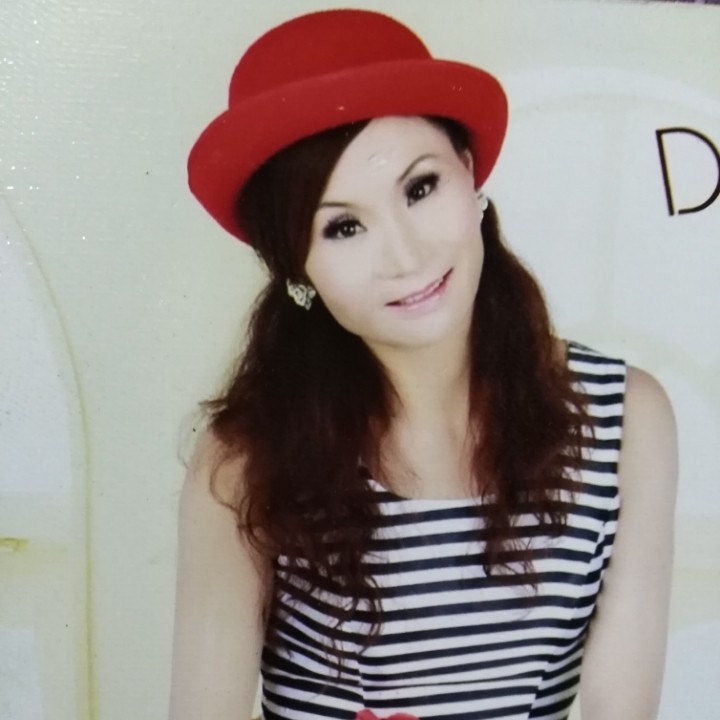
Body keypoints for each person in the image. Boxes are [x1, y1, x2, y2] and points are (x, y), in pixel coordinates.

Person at [169, 8, 677, 720]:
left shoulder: (625, 421)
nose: (405, 255)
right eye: (344, 226)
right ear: (296, 266)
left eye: (419, 188)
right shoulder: (245, 460)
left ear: (468, 174)